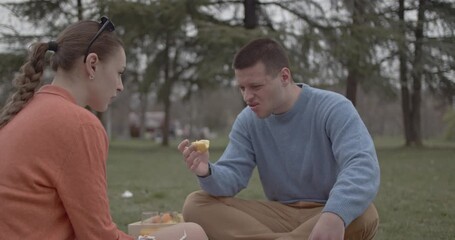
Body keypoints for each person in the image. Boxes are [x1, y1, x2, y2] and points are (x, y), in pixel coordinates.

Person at [0, 17, 207, 240]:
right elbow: (97, 236)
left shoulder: (27, 108)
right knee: (192, 233)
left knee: (159, 230)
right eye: (119, 72)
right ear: (92, 64)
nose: (120, 86)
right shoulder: (80, 125)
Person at [178, 37, 380, 240]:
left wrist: (335, 214)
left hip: (326, 210)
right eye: (242, 88)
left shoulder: (334, 108)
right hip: (277, 214)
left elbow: (362, 165)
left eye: (255, 86)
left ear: (284, 77)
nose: (247, 97)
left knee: (364, 213)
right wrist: (207, 172)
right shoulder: (248, 120)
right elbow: (232, 176)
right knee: (196, 204)